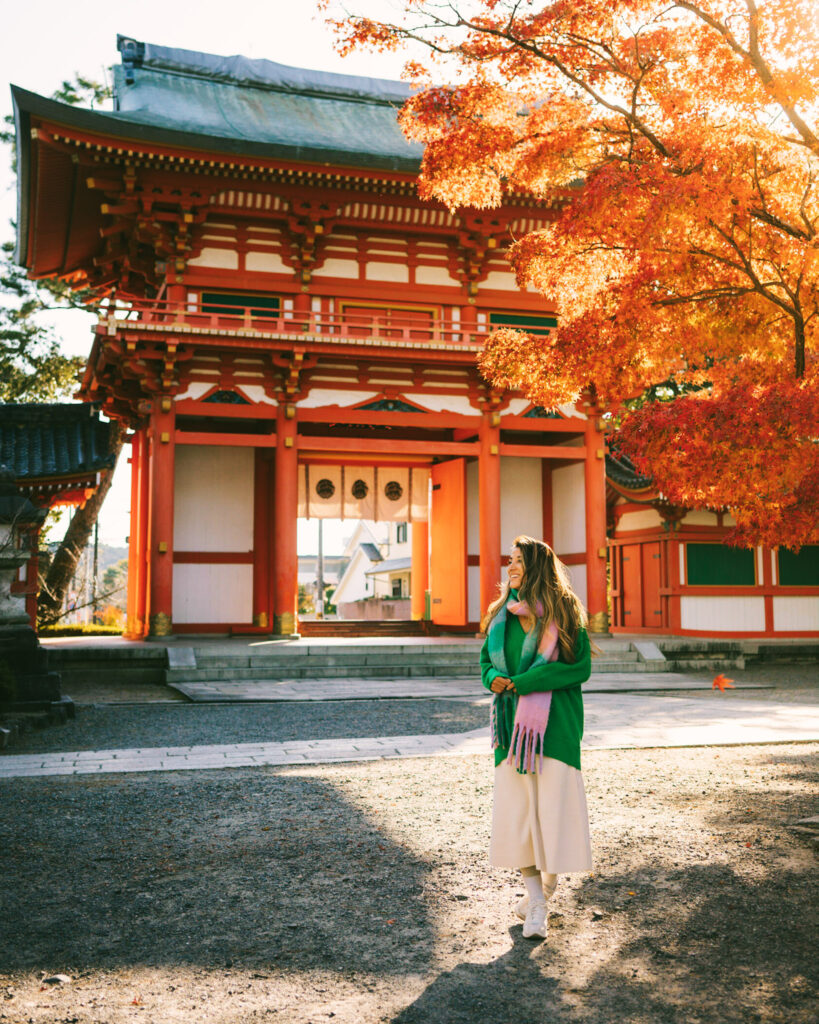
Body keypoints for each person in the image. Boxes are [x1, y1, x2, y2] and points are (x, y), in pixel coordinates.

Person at [480, 535, 593, 939]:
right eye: (508, 560)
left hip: (556, 730)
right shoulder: (501, 616)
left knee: (553, 816)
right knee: (519, 818)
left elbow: (578, 669)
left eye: (518, 561)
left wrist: (524, 681)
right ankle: (538, 905)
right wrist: (495, 680)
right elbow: (485, 666)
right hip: (512, 731)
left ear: (537, 568)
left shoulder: (565, 612)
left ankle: (543, 889)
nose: (510, 568)